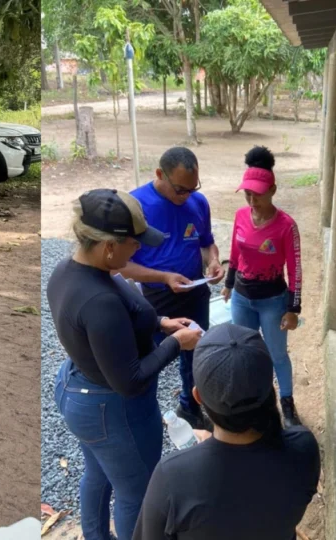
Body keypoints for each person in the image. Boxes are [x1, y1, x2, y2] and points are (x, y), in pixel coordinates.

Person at [48, 188, 204, 540]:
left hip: (78, 388)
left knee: (98, 475)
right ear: (107, 247)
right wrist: (175, 343)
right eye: (134, 244)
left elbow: (118, 318)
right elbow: (130, 381)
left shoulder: (68, 271)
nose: (140, 250)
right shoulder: (99, 301)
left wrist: (161, 322)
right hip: (111, 408)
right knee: (137, 493)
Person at [132, 324, 320, 540]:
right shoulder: (304, 448)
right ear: (271, 388)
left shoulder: (173, 477)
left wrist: (198, 457)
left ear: (198, 396)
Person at [119, 147, 224, 431]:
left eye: (193, 188)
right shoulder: (135, 205)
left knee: (196, 354)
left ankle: (190, 407)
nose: (186, 196)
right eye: (180, 189)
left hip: (195, 293)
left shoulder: (198, 202)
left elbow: (206, 242)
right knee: (149, 360)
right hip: (153, 299)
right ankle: (143, 416)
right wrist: (164, 277)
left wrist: (213, 260)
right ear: (159, 175)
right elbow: (120, 264)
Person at [222, 146, 303, 427]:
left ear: (273, 190)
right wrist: (229, 284)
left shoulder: (286, 226)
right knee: (243, 351)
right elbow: (235, 252)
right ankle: (253, 400)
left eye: (258, 193)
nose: (253, 200)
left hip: (272, 300)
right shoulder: (240, 216)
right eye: (247, 194)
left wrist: (293, 309)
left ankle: (287, 404)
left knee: (277, 354)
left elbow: (295, 271)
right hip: (242, 298)